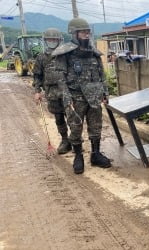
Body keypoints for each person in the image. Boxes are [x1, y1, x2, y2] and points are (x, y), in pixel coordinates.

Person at [52, 17, 111, 174]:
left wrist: (105, 92)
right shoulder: (65, 53)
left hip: (94, 97)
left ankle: (96, 154)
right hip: (75, 97)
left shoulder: (94, 53)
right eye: (83, 32)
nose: (86, 34)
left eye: (88, 31)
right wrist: (66, 97)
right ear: (74, 33)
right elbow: (60, 78)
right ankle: (78, 156)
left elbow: (101, 75)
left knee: (96, 126)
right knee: (76, 128)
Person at [33, 28, 72, 154]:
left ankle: (75, 140)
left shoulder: (65, 55)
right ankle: (65, 141)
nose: (52, 41)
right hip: (52, 93)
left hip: (67, 92)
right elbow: (37, 75)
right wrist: (37, 91)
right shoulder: (41, 57)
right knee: (59, 118)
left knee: (72, 117)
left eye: (54, 39)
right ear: (45, 41)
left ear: (59, 40)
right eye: (49, 39)